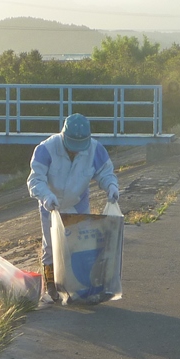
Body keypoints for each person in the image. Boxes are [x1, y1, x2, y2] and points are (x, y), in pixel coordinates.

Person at [27, 113, 119, 304]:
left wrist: (111, 186)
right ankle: (51, 284)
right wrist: (46, 196)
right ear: (63, 137)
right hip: (51, 203)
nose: (75, 152)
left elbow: (105, 173)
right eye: (72, 147)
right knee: (51, 246)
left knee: (80, 244)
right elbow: (35, 180)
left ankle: (80, 285)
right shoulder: (46, 149)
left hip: (78, 201)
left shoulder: (95, 150)